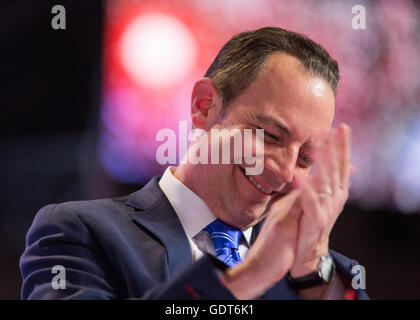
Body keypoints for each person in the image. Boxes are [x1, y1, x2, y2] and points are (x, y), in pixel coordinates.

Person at [20, 27, 369, 300]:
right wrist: (249, 277)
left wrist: (313, 277)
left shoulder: (325, 279)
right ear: (205, 107)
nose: (285, 172)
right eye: (270, 136)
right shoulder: (80, 232)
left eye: (306, 158)